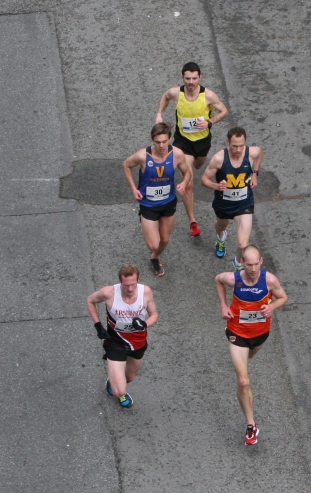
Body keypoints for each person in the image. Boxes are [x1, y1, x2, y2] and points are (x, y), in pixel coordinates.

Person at [214, 245, 288, 445]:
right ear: (242, 263)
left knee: (250, 357)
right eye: (249, 264)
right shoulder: (233, 279)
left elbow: (283, 297)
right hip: (237, 333)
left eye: (256, 264)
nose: (253, 269)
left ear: (261, 261)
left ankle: (242, 361)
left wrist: (271, 306)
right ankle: (251, 425)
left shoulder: (269, 280)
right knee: (243, 380)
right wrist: (223, 305)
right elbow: (218, 280)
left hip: (260, 334)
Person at [155, 62, 229, 237]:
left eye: (194, 78)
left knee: (198, 165)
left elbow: (223, 111)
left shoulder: (208, 96)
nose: (191, 82)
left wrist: (209, 122)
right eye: (187, 78)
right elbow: (165, 96)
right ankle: (193, 222)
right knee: (188, 182)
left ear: (200, 78)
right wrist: (159, 114)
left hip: (202, 143)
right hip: (183, 142)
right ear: (182, 77)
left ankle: (195, 163)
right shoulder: (176, 93)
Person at [123, 123, 190, 277]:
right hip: (148, 205)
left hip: (168, 202)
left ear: (169, 139)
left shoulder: (177, 154)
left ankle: (154, 257)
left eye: (164, 141)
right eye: (158, 142)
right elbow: (126, 165)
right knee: (154, 244)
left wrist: (183, 183)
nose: (161, 145)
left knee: (164, 240)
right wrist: (134, 189)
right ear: (152, 140)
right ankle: (152, 244)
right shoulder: (143, 156)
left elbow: (187, 173)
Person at [86, 264, 158, 408]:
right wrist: (98, 326)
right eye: (126, 285)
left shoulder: (146, 292)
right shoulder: (109, 293)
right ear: (120, 281)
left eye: (133, 284)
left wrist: (144, 324)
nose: (130, 289)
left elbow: (154, 315)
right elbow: (90, 300)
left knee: (130, 377)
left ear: (138, 280)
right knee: (118, 391)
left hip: (137, 342)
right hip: (115, 342)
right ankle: (117, 386)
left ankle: (114, 379)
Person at [201, 127, 263, 270]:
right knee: (221, 226)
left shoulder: (251, 153)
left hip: (244, 204)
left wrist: (255, 173)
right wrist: (216, 186)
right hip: (223, 204)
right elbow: (204, 179)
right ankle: (221, 238)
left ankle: (238, 265)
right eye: (234, 146)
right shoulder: (219, 159)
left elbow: (260, 153)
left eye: (241, 145)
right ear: (227, 142)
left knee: (243, 244)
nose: (238, 150)